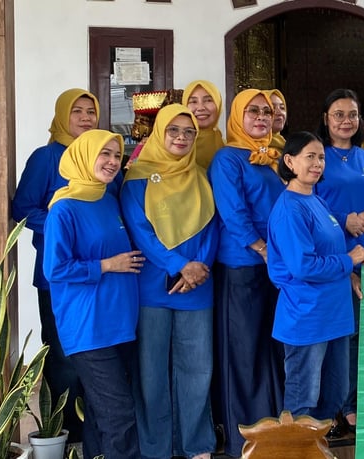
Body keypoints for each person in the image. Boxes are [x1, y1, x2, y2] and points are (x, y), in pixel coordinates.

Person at [12, 88, 109, 443]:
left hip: (102, 272)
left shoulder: (103, 157)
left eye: (90, 111)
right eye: (77, 111)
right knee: (64, 356)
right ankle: (67, 434)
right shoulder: (47, 157)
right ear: (62, 115)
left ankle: (97, 432)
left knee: (97, 354)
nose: (85, 117)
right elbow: (23, 209)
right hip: (58, 276)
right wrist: (63, 227)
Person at [120, 104, 218, 459]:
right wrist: (180, 265)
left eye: (189, 132)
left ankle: (196, 443)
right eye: (173, 130)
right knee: (151, 372)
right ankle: (155, 447)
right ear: (159, 133)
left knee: (198, 367)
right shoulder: (136, 178)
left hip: (197, 286)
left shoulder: (201, 176)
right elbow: (140, 231)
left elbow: (212, 226)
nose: (181, 137)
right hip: (153, 286)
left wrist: (198, 268)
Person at [43, 129, 141, 459]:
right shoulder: (64, 208)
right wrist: (107, 265)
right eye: (104, 154)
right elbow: (55, 269)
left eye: (116, 154)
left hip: (119, 323)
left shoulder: (107, 199)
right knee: (119, 414)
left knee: (101, 414)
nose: (113, 161)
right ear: (84, 156)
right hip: (89, 327)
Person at [267, 131, 364, 423]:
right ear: (290, 161)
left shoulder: (317, 201)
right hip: (307, 316)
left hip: (334, 314)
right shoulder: (289, 208)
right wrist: (348, 260)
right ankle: (296, 447)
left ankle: (317, 445)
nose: (317, 163)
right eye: (309, 157)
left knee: (334, 395)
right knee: (303, 400)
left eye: (321, 157)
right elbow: (303, 266)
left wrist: (348, 274)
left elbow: (329, 251)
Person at [208, 88, 285, 458]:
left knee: (270, 347)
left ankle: (273, 431)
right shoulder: (228, 158)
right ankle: (244, 438)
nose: (261, 117)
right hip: (242, 265)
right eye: (252, 111)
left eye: (266, 112)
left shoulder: (273, 157)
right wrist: (261, 247)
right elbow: (232, 211)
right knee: (243, 351)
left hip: (275, 267)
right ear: (238, 116)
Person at [314, 88, 364, 435]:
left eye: (353, 114)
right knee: (336, 336)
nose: (346, 121)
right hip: (332, 256)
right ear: (326, 119)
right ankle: (332, 408)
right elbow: (309, 203)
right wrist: (344, 220)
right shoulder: (318, 156)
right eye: (338, 114)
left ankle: (354, 404)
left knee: (362, 335)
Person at [183, 80, 225, 169]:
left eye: (208, 100)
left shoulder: (227, 147)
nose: (201, 108)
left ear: (218, 104)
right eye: (193, 102)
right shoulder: (176, 145)